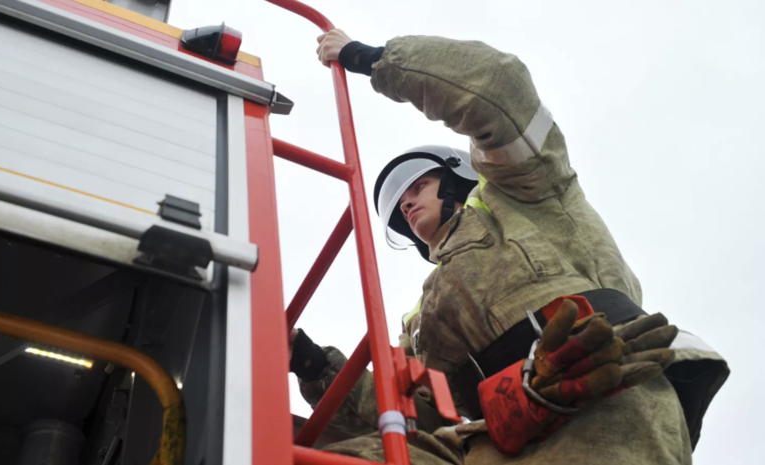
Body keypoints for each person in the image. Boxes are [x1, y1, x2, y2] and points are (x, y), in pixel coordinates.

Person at [289, 30, 729, 464]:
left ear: (458, 178)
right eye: (397, 203)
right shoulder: (423, 320)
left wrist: (373, 59)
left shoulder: (525, 194)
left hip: (600, 387)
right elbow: (411, 413)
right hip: (493, 433)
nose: (405, 202)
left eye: (418, 184)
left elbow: (498, 86)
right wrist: (310, 362)